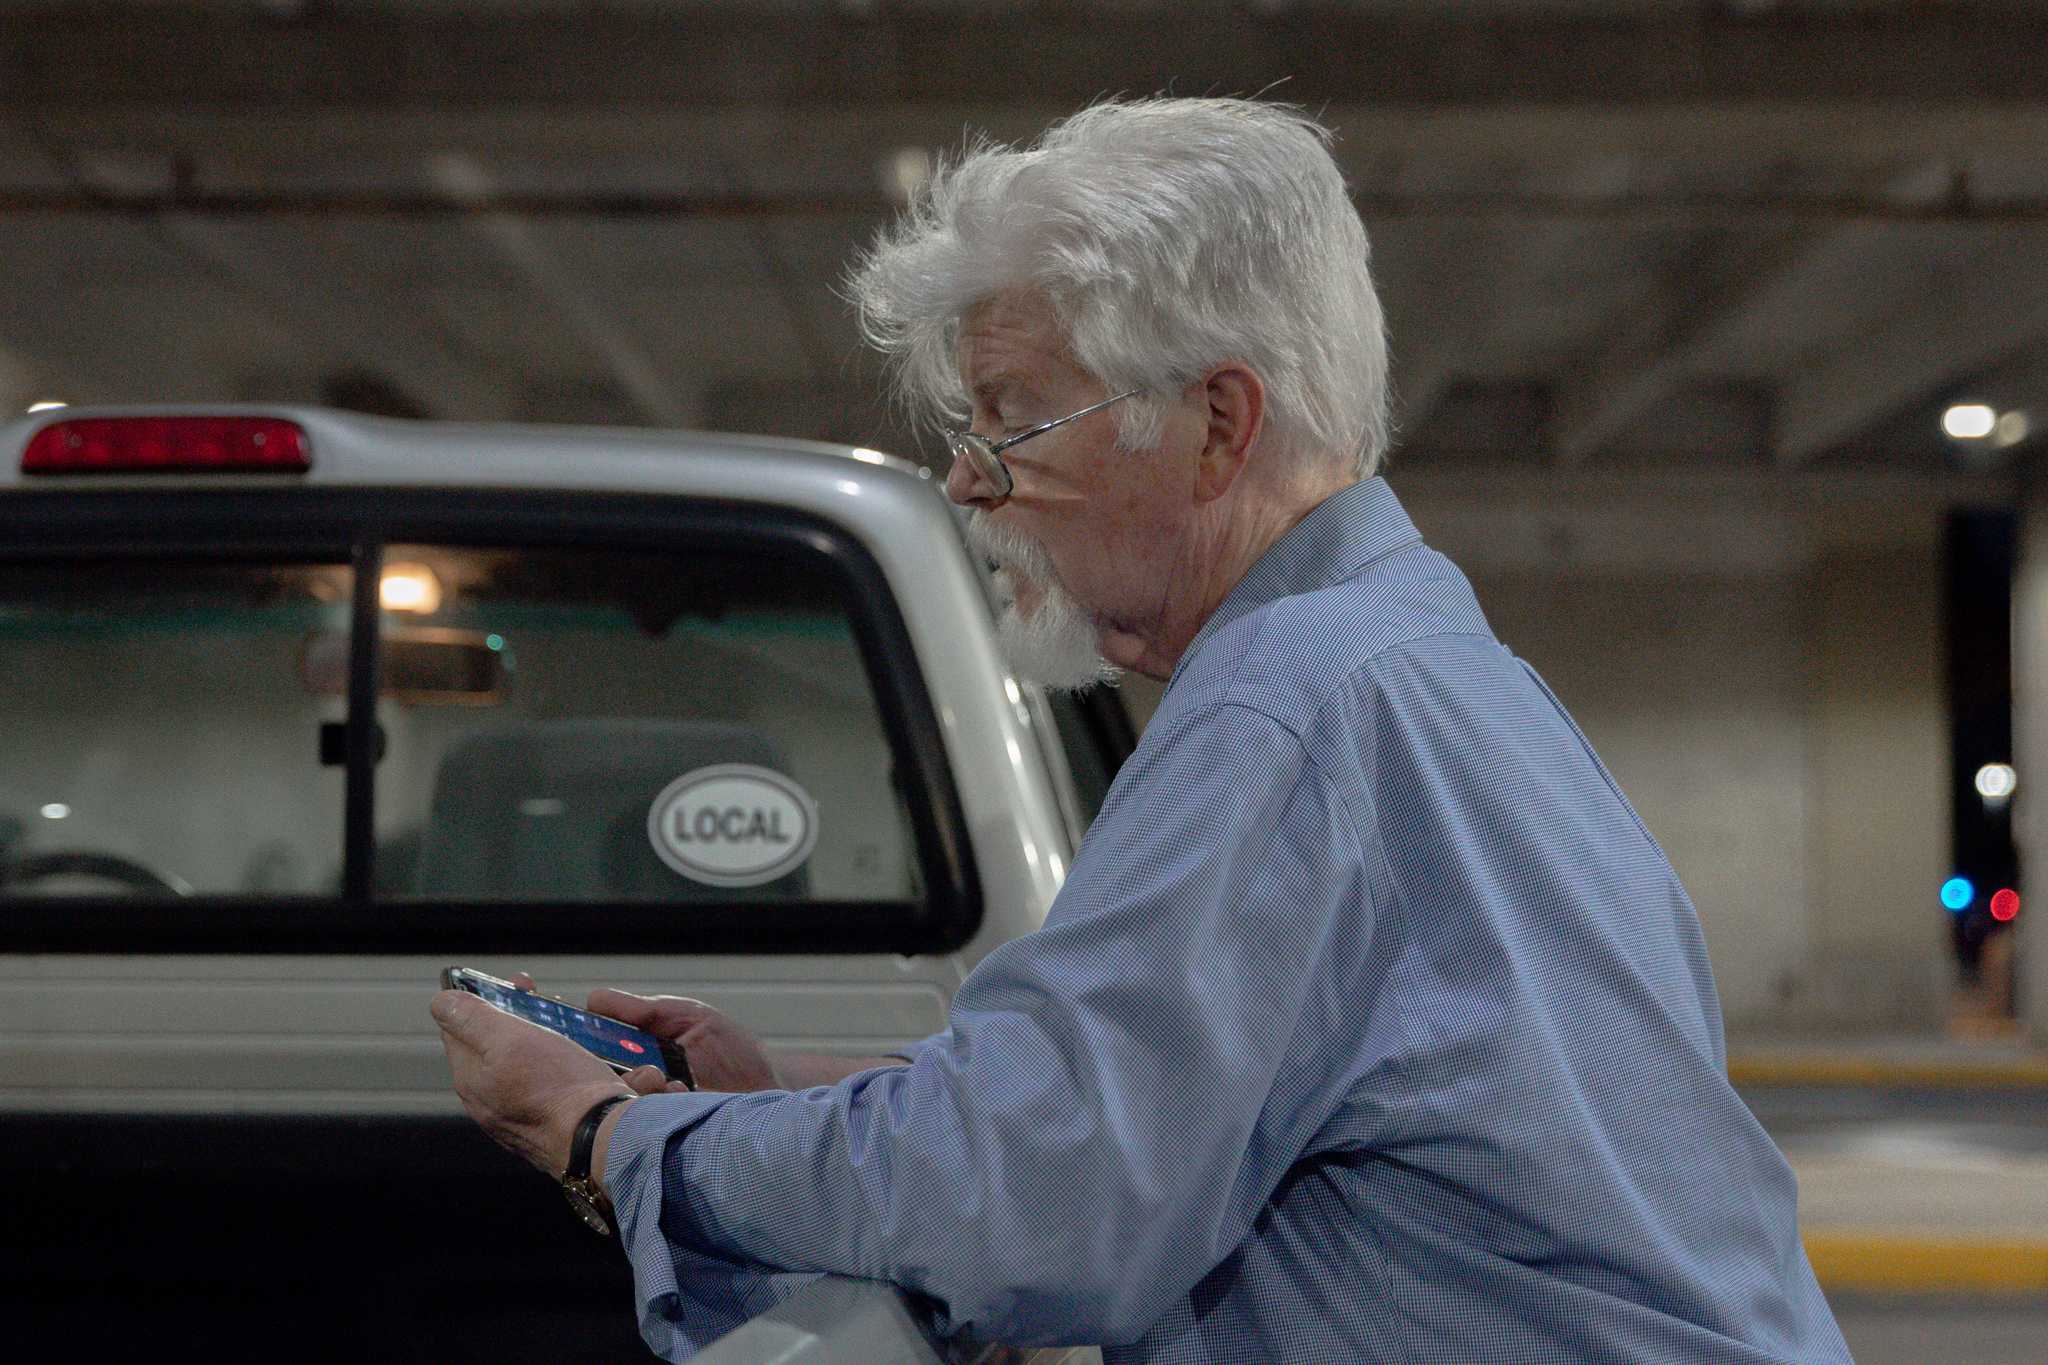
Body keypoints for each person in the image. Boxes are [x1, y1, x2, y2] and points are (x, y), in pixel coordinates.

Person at [434, 97, 1852, 1363]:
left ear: (1218, 422)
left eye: (1013, 420)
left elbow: (1041, 1199)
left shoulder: (1289, 707)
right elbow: (1152, 1089)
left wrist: (617, 1139)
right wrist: (772, 1089)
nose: (971, 481)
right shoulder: (1419, 661)